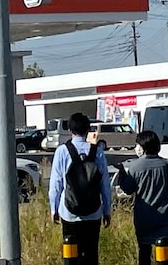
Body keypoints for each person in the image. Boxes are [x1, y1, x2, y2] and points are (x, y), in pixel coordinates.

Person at [48, 112, 111, 265]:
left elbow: (56, 184)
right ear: (88, 130)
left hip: (69, 211)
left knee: (70, 254)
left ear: (70, 130)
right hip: (94, 211)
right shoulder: (98, 152)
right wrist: (107, 211)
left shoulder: (62, 151)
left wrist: (54, 208)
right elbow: (105, 185)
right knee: (91, 255)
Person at [115, 130, 168, 265]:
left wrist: (122, 173)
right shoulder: (166, 164)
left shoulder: (135, 167)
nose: (136, 148)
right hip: (165, 218)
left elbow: (128, 189)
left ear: (143, 147)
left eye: (138, 145)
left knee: (144, 253)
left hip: (144, 218)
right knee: (166, 254)